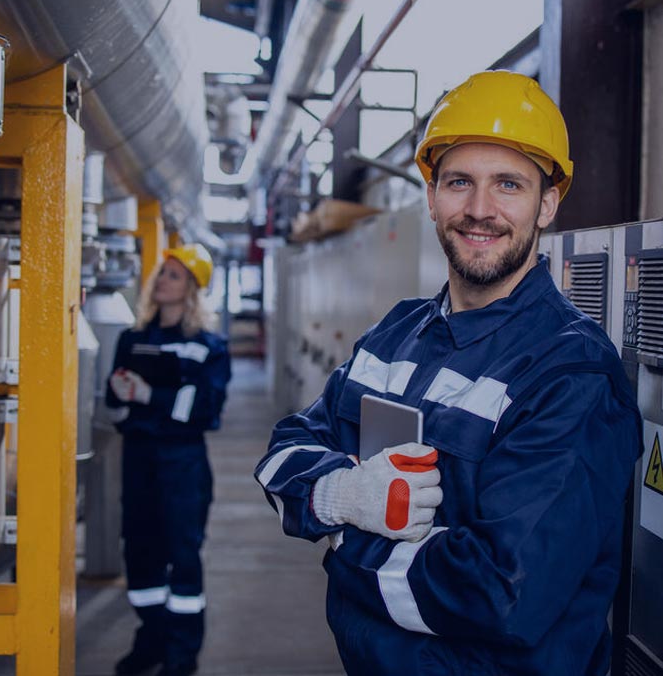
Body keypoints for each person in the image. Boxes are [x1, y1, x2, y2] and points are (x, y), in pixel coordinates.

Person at [254, 70, 642, 675]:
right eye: (459, 182)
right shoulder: (397, 332)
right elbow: (284, 454)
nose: (480, 210)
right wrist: (343, 493)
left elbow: (501, 595)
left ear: (547, 204)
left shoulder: (572, 373)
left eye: (507, 185)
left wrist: (341, 537)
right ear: (432, 196)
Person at [106, 243, 231, 676]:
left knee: (182, 554)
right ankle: (151, 639)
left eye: (175, 275)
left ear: (193, 289)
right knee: (140, 553)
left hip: (183, 464)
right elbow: (114, 405)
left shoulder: (208, 347)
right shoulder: (132, 338)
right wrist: (123, 394)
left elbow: (206, 409)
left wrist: (148, 396)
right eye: (162, 273)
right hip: (138, 458)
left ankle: (182, 652)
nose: (162, 281)